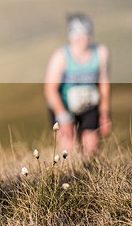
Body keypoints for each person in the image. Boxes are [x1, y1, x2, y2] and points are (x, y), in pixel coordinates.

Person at [44, 13, 111, 157]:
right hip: (64, 106)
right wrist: (63, 118)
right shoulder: (61, 57)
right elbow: (50, 90)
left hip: (89, 106)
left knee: (91, 147)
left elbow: (104, 84)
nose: (84, 39)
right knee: (69, 149)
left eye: (87, 34)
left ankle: (92, 177)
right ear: (71, 36)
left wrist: (104, 114)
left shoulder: (100, 53)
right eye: (79, 35)